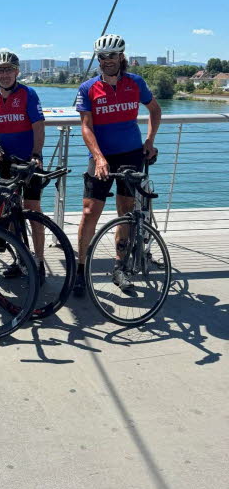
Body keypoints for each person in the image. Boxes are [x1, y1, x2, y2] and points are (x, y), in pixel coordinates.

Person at [74, 33, 161, 296]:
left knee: (125, 210)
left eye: (112, 55)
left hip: (131, 154)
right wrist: (99, 157)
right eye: (102, 56)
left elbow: (154, 110)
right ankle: (80, 269)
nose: (107, 60)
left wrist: (150, 140)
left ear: (121, 56)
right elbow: (86, 126)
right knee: (90, 211)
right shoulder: (88, 87)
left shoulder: (136, 83)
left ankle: (120, 266)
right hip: (101, 155)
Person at [0, 50, 47, 284]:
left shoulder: (28, 94)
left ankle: (38, 261)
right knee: (10, 212)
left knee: (33, 211)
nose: (5, 74)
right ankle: (21, 259)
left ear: (17, 72)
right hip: (6, 163)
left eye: (9, 69)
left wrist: (36, 154)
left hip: (29, 162)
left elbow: (39, 126)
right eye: (0, 70)